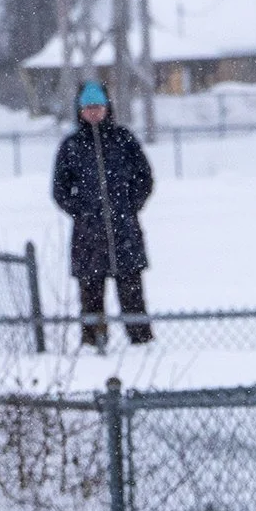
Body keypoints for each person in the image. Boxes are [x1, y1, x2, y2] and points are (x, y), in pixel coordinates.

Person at [52, 79, 155, 349]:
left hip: (125, 234)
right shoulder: (71, 146)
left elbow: (144, 178)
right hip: (88, 238)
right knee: (90, 294)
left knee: (132, 292)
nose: (94, 112)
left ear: (107, 107)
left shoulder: (123, 139)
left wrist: (129, 206)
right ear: (80, 111)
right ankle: (92, 342)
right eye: (88, 108)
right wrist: (82, 212)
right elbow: (60, 189)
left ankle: (141, 341)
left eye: (98, 106)